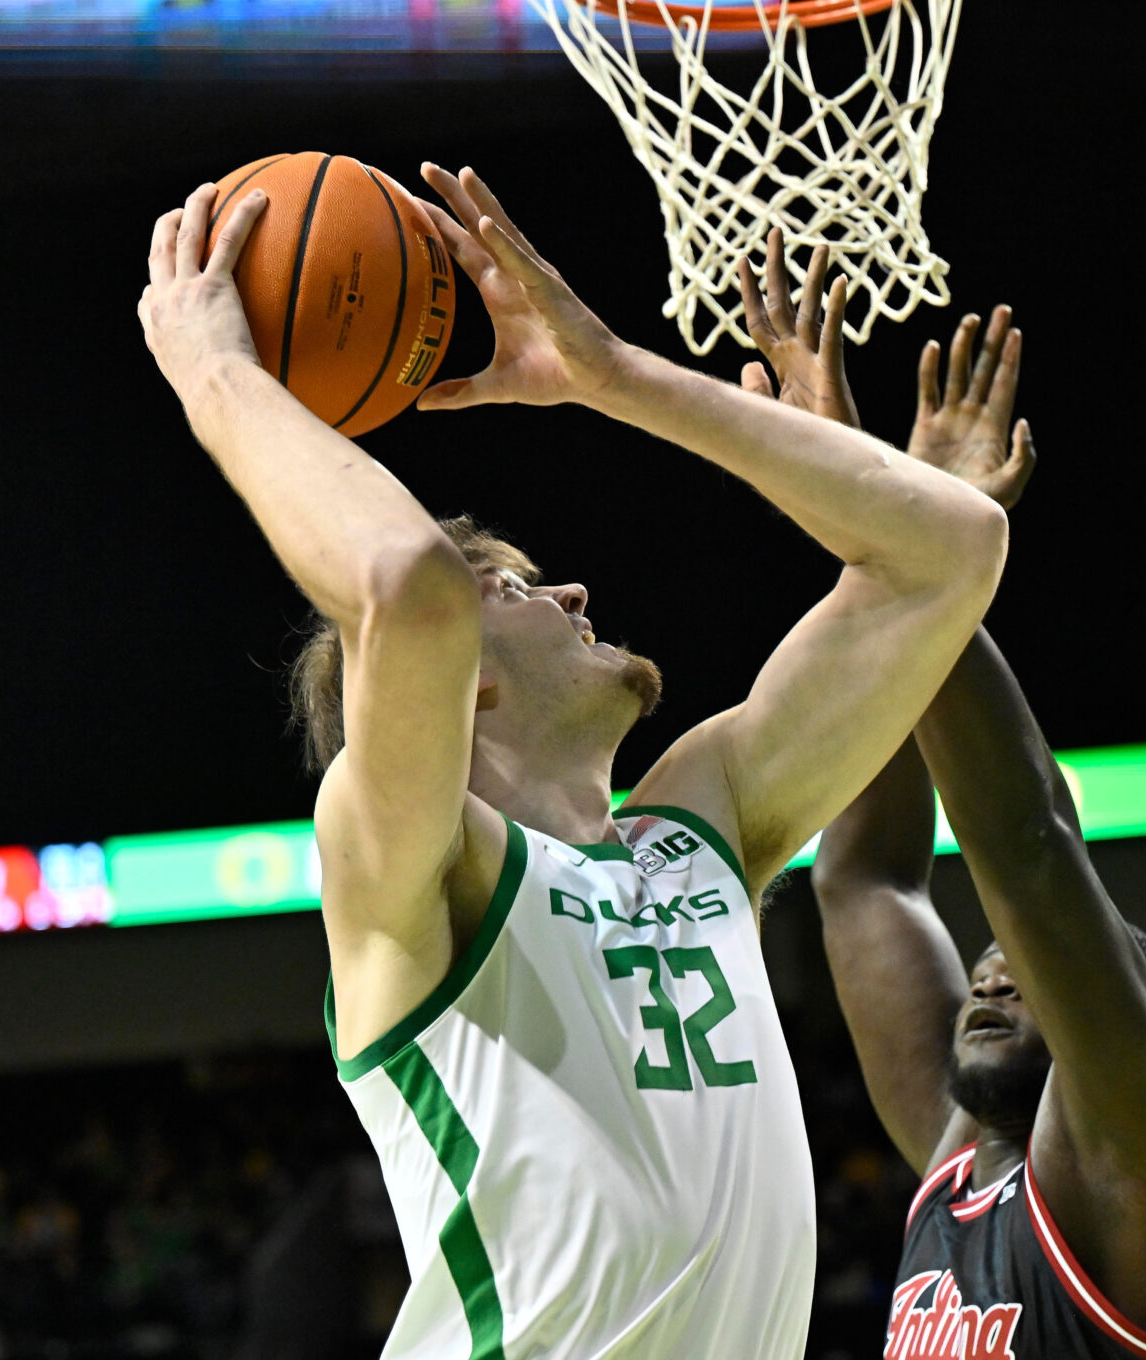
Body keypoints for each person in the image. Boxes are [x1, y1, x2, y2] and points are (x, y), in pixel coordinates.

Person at [136, 170, 1012, 1358]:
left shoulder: (700, 825)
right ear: (462, 684)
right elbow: (405, 588)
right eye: (516, 585)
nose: (572, 590)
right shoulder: (417, 868)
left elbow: (949, 551)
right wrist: (216, 373)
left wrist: (611, 376)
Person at [750, 256, 1146, 1357]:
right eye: (987, 965)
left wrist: (913, 544)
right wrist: (882, 546)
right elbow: (864, 877)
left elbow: (1028, 849)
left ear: (1133, 1007)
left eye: (1024, 971)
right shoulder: (955, 1158)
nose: (988, 971)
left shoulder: (1144, 1150)